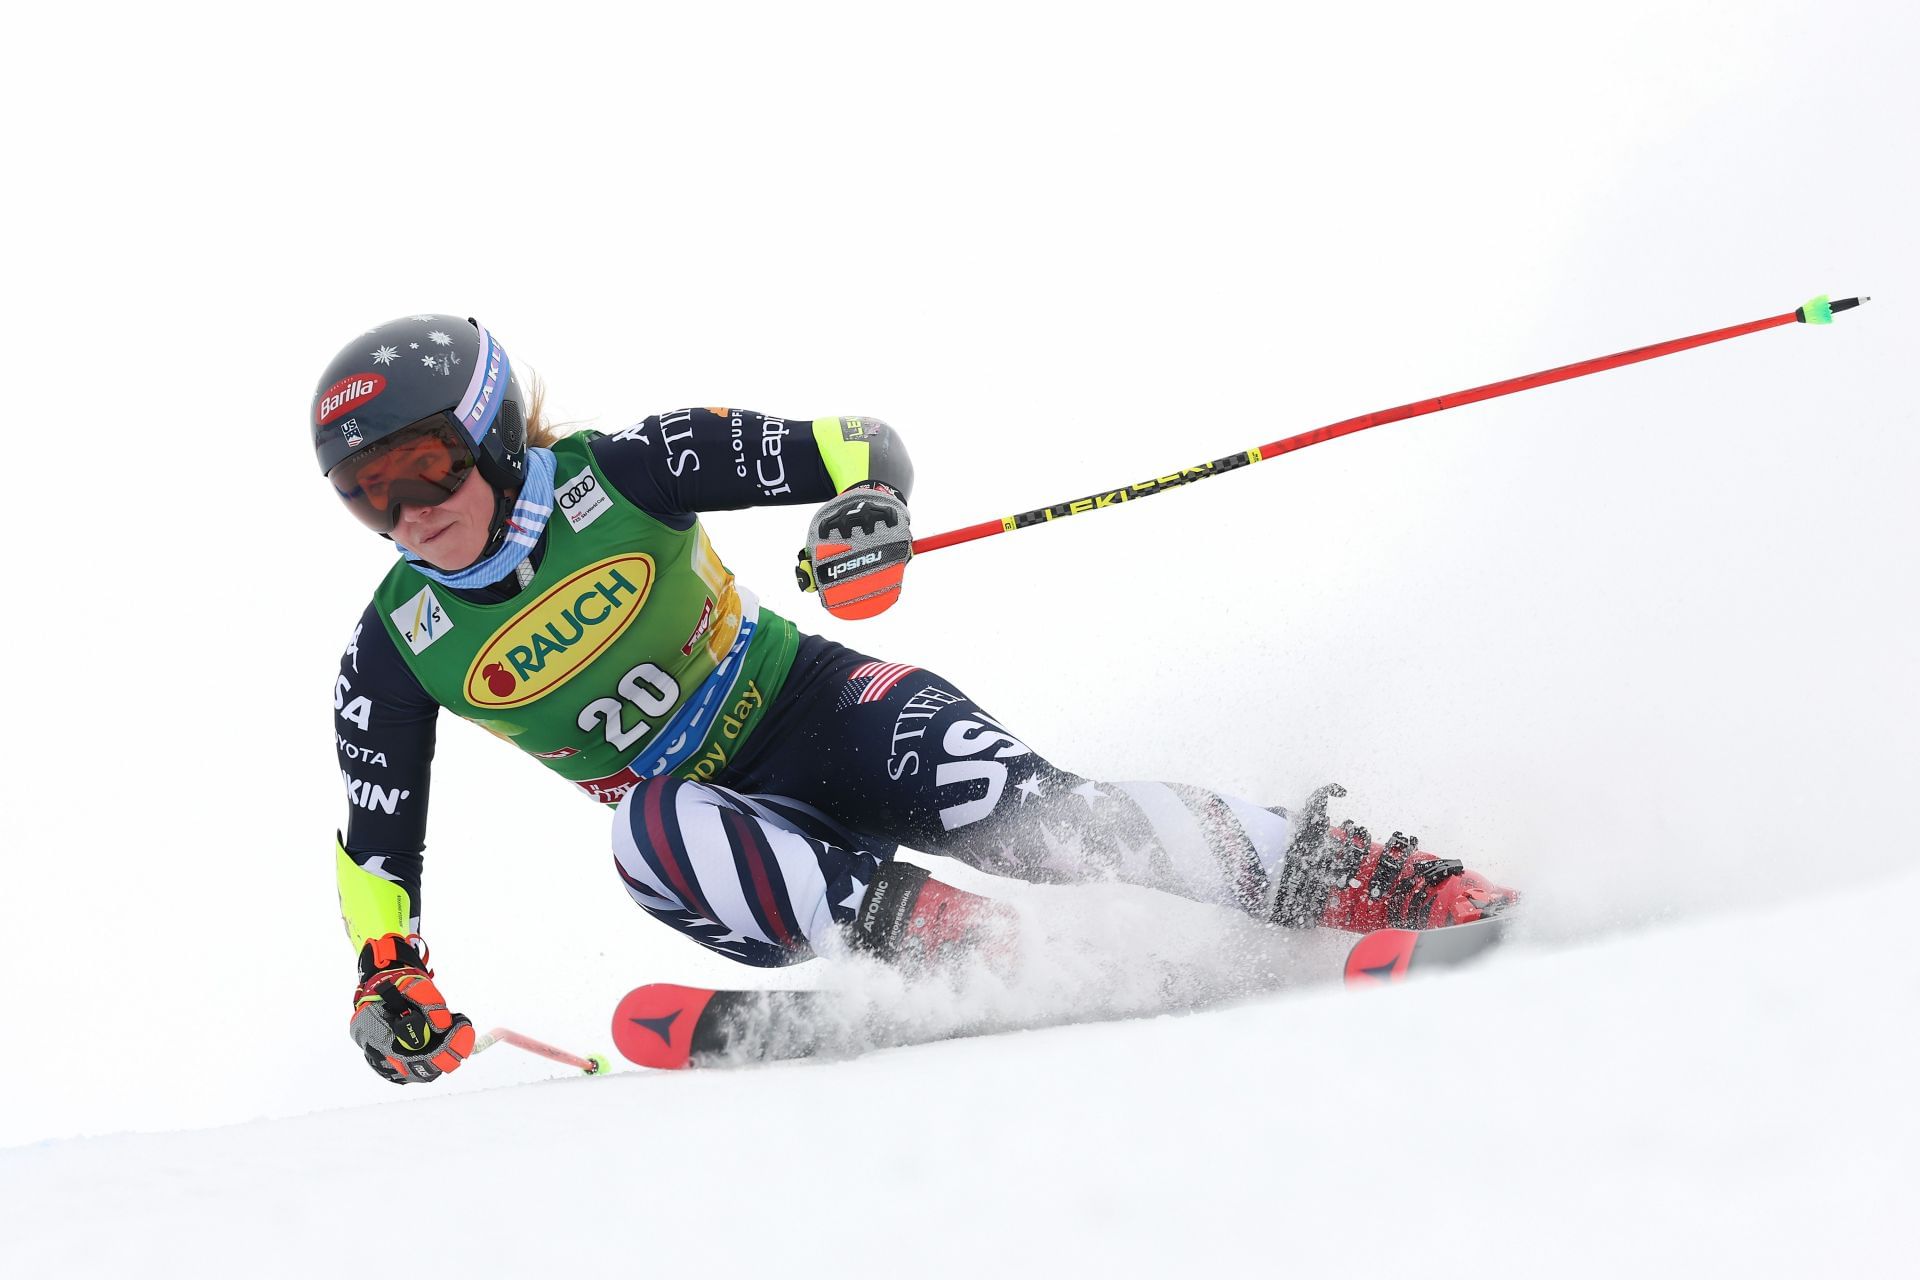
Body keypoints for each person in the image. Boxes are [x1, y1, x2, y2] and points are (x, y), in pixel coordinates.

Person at [320, 315, 1517, 1084]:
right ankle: (967, 948)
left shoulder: (627, 470)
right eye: (368, 492)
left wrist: (866, 510)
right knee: (643, 833)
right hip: (728, 836)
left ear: (485, 432)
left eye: (421, 463)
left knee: (1045, 816)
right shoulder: (397, 647)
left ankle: (1360, 878)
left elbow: (856, 443)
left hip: (824, 707)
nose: (407, 507)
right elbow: (378, 845)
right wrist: (389, 973)